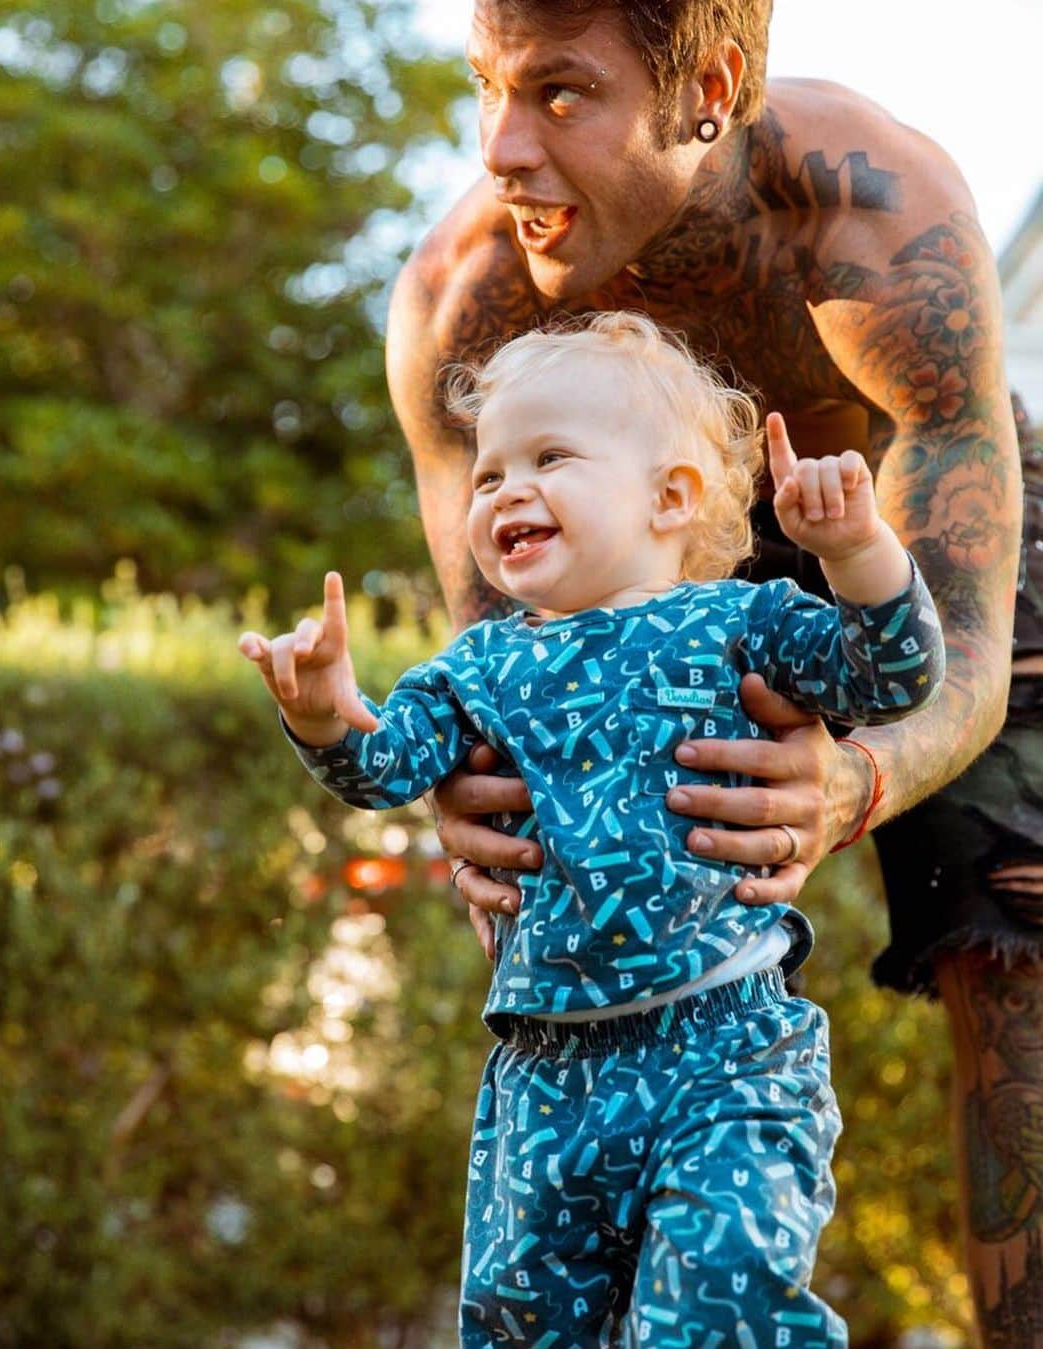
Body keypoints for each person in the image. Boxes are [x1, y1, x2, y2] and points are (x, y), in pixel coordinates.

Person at [383, 0, 1034, 1335]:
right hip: (633, 569)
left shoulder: (870, 217)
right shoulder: (466, 305)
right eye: (486, 87)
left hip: (885, 535)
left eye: (560, 94)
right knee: (568, 940)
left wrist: (856, 778)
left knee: (1021, 938)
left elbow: (956, 647)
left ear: (710, 88)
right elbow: (496, 672)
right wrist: (470, 795)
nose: (501, 146)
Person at [240, 312, 945, 1343]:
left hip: (723, 1046)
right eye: (488, 474)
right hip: (548, 1072)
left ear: (670, 496)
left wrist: (856, 548)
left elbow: (891, 673)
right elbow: (385, 768)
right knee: (526, 1321)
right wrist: (319, 712)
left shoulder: (739, 620)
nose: (504, 489)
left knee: (718, 1301)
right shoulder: (478, 664)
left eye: (550, 457)